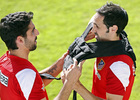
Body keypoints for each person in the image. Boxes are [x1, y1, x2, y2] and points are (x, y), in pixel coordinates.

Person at [0, 11, 84, 100]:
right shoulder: (26, 74)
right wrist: (70, 82)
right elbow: (29, 80)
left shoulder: (4, 61)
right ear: (20, 40)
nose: (37, 33)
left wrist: (63, 61)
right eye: (32, 31)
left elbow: (33, 84)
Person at [62, 2, 135, 100]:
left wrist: (76, 85)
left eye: (97, 26)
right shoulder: (111, 42)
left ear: (113, 29)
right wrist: (86, 33)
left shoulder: (119, 65)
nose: (93, 30)